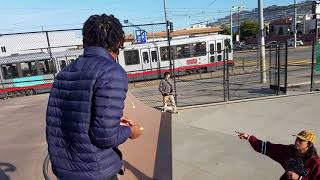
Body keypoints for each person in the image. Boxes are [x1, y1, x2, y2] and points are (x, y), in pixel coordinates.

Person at [46, 14, 143, 180]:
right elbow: (105, 136)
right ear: (119, 43)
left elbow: (71, 118)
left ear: (86, 40)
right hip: (95, 171)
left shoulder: (65, 72)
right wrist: (129, 131)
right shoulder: (112, 72)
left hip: (65, 170)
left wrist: (112, 120)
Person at [236, 130, 320, 180]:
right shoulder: (288, 151)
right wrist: (249, 137)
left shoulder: (315, 162)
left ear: (309, 145)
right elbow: (268, 148)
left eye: (301, 140)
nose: (297, 141)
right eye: (297, 138)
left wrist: (298, 178)